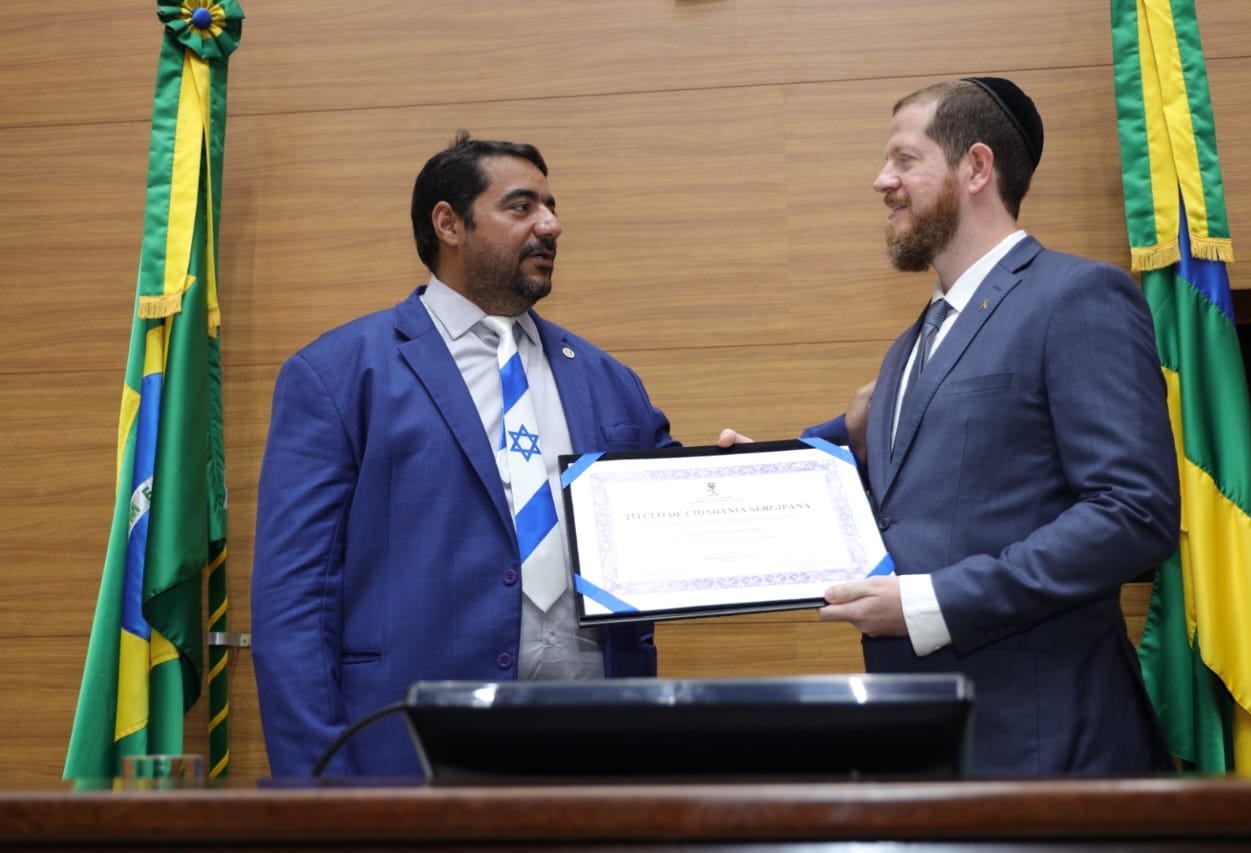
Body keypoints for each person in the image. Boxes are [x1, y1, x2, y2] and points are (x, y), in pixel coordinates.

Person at [729, 78, 1180, 775]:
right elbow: (919, 497)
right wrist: (756, 486)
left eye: (904, 159)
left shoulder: (1076, 296)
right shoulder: (908, 349)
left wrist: (933, 601)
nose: (881, 180)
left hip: (1048, 750)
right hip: (924, 749)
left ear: (976, 167)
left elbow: (1134, 513)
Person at [251, 132, 678, 778]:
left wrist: (826, 445)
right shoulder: (340, 375)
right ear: (449, 224)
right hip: (413, 754)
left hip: (599, 754)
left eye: (551, 207)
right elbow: (294, 604)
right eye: (521, 206)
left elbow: (687, 511)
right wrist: (320, 789)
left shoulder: (607, 379)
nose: (550, 225)